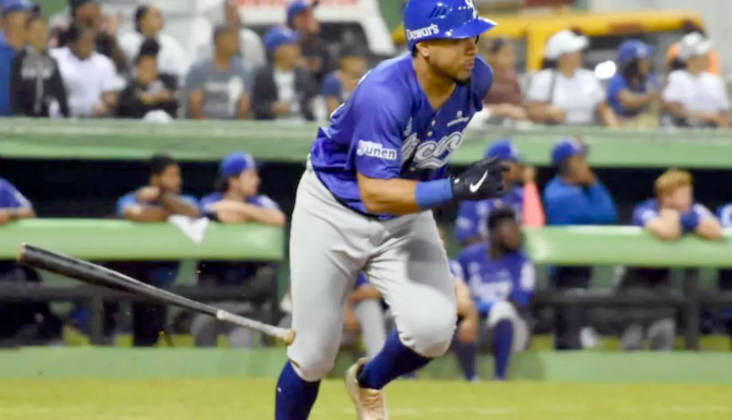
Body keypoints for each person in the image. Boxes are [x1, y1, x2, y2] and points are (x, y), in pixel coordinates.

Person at [276, 1, 507, 418]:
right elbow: (375, 193)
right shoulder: (385, 92)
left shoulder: (477, 77)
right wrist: (454, 188)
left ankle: (368, 382)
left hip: (404, 213)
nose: (472, 46)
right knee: (312, 357)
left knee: (432, 332)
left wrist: (444, 188)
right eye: (458, 37)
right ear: (424, 46)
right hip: (333, 208)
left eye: (474, 35)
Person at [622, 169, 721, 351]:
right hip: (635, 282)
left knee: (664, 336)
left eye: (689, 194)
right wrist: (683, 220)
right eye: (683, 195)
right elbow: (667, 231)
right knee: (632, 342)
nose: (688, 200)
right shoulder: (645, 209)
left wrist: (684, 219)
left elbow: (715, 230)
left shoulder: (693, 210)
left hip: (663, 284)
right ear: (666, 198)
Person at [193, 152, 285, 347]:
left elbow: (278, 218)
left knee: (244, 343)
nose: (257, 180)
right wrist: (253, 216)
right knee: (202, 334)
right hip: (211, 296)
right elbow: (224, 217)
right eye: (250, 175)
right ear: (233, 180)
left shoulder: (261, 201)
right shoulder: (210, 199)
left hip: (248, 298)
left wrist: (239, 208)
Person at [115, 155, 200, 347]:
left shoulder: (185, 200)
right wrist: (168, 212)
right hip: (131, 275)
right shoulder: (133, 198)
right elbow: (135, 213)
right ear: (155, 179)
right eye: (171, 176)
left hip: (165, 276)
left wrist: (163, 198)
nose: (177, 181)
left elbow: (193, 212)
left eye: (178, 175)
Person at [544, 138, 617, 350]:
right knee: (568, 328)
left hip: (582, 264)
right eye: (578, 159)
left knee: (577, 320)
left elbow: (609, 213)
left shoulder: (583, 189)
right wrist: (593, 184)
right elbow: (601, 214)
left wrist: (592, 184)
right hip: (564, 267)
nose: (584, 163)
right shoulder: (557, 192)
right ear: (565, 163)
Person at [452, 208, 535, 381]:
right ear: (494, 232)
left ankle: (500, 377)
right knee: (461, 318)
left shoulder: (522, 261)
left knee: (502, 310)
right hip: (474, 321)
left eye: (517, 229)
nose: (516, 234)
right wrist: (471, 312)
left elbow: (519, 301)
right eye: (509, 229)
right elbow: (456, 288)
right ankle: (472, 379)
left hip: (511, 327)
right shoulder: (469, 258)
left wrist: (481, 307)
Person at [0, 169, 62, 344]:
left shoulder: (1, 187)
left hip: (4, 266)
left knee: (24, 276)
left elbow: (29, 212)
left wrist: (8, 214)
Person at [455, 139, 545, 247]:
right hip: (485, 255)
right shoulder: (474, 197)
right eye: (514, 162)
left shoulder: (522, 195)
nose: (519, 167)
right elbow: (466, 238)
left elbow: (536, 228)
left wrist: (529, 184)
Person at [526, 29, 617, 127]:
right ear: (563, 56)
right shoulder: (545, 78)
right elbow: (532, 112)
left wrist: (613, 126)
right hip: (556, 133)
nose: (580, 55)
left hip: (587, 132)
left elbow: (604, 109)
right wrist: (548, 112)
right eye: (574, 52)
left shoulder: (589, 77)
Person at [50, 24, 122, 117]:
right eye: (85, 41)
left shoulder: (104, 63)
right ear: (72, 43)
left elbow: (110, 96)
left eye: (91, 41)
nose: (90, 45)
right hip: (61, 114)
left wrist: (106, 105)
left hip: (91, 115)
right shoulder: (55, 57)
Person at [662, 32, 731, 128]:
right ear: (691, 58)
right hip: (686, 130)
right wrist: (711, 117)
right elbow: (674, 108)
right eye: (703, 55)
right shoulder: (677, 78)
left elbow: (725, 111)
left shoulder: (715, 80)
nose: (707, 58)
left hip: (714, 131)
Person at [185, 25, 251, 120]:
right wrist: (206, 126)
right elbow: (195, 104)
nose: (237, 43)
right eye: (232, 39)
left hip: (233, 125)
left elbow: (244, 105)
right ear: (219, 40)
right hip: (204, 125)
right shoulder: (199, 70)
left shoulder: (243, 70)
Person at [252, 27, 316, 121]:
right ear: (277, 51)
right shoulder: (263, 76)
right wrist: (272, 108)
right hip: (273, 127)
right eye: (291, 46)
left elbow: (311, 102)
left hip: (301, 125)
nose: (297, 50)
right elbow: (256, 106)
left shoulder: (304, 75)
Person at [10, 14, 69, 117]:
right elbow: (15, 90)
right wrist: (19, 114)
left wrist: (66, 114)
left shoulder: (51, 61)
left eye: (43, 31)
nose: (40, 35)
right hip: (24, 116)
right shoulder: (19, 60)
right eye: (35, 31)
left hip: (47, 116)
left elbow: (60, 91)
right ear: (27, 33)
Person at [117, 4, 188, 84]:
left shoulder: (170, 42)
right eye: (156, 16)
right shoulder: (126, 41)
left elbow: (182, 70)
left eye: (160, 16)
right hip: (133, 86)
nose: (161, 19)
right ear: (141, 20)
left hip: (165, 86)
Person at [117, 39, 178, 119]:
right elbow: (124, 109)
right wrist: (149, 98)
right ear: (138, 68)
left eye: (152, 68)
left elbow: (174, 104)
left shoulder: (166, 83)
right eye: (145, 68)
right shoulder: (130, 89)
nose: (148, 72)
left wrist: (164, 97)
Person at [607, 39, 660, 125]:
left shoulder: (649, 79)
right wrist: (653, 96)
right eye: (642, 60)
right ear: (631, 64)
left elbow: (660, 101)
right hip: (622, 128)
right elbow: (629, 101)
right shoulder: (617, 81)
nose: (647, 63)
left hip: (646, 128)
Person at [0, 0, 38, 116]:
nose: (29, 17)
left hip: (24, 121)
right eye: (23, 13)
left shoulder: (33, 50)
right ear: (10, 18)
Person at [67, 0, 126, 73]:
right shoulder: (68, 33)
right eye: (92, 5)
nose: (99, 9)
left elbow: (121, 66)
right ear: (79, 11)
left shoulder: (105, 38)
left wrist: (113, 38)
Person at [482, 38, 527, 121]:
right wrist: (502, 110)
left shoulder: (513, 77)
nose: (511, 59)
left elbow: (520, 104)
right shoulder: (481, 77)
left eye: (513, 55)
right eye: (506, 54)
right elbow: (474, 109)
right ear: (493, 56)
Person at [286, 0, 330, 83]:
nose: (311, 17)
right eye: (304, 15)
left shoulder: (320, 44)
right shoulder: (286, 43)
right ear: (293, 20)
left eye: (310, 13)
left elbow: (324, 71)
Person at [321, 42, 369, 115]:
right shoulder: (333, 81)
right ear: (344, 62)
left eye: (363, 61)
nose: (361, 64)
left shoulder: (368, 79)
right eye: (356, 61)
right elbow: (333, 112)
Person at [223, 0, 266, 70]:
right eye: (229, 14)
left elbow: (260, 66)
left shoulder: (251, 39)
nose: (232, 18)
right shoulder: (217, 42)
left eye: (234, 13)